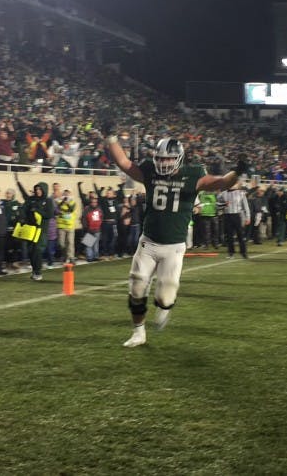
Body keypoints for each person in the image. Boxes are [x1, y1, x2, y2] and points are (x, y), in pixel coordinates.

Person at [104, 133, 248, 348]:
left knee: (165, 297)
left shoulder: (193, 175)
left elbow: (221, 183)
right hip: (149, 242)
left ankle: (164, 306)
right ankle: (138, 332)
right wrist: (111, 139)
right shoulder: (150, 172)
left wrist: (238, 171)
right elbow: (124, 162)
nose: (163, 163)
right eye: (160, 159)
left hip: (174, 247)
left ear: (178, 158)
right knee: (136, 287)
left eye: (168, 159)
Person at [14, 174, 55, 281]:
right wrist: (22, 218)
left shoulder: (48, 201)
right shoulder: (31, 199)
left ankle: (38, 272)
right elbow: (23, 208)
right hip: (30, 230)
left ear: (44, 190)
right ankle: (34, 270)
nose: (37, 191)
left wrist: (37, 210)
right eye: (36, 189)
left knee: (37, 250)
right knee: (31, 251)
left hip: (41, 231)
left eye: (39, 189)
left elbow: (49, 214)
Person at [217, 180, 250, 259]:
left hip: (237, 215)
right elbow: (217, 205)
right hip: (227, 215)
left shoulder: (241, 193)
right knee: (229, 236)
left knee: (240, 235)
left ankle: (244, 253)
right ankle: (231, 253)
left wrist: (248, 217)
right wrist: (224, 204)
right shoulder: (223, 193)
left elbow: (246, 206)